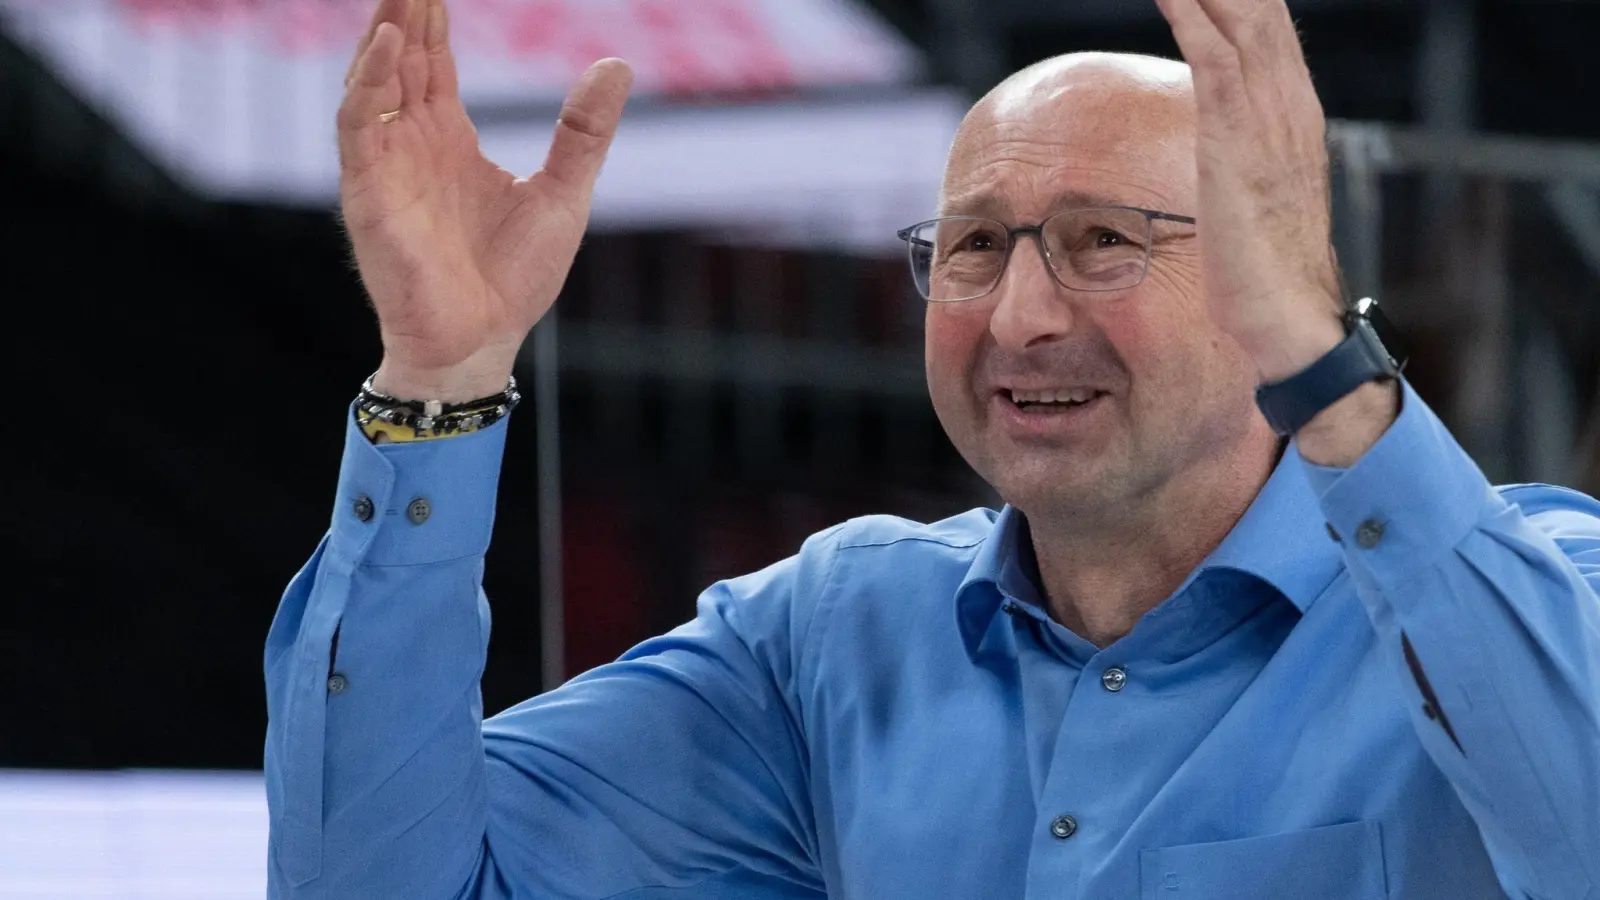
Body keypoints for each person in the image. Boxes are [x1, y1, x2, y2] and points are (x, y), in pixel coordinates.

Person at [263, 0, 1600, 896]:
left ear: (1271, 271)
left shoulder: (1537, 590)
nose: (1018, 315)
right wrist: (437, 386)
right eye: (971, 247)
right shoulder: (830, 643)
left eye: (1103, 241)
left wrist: (1326, 367)